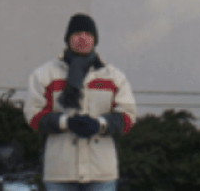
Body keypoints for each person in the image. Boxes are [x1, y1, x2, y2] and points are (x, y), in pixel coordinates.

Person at [24, 13, 136, 191]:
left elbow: (127, 116)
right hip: (60, 172)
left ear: (95, 40)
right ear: (67, 38)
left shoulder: (114, 76)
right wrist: (65, 122)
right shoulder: (44, 74)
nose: (82, 38)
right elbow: (34, 116)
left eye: (88, 34)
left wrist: (100, 124)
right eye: (77, 34)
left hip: (101, 173)